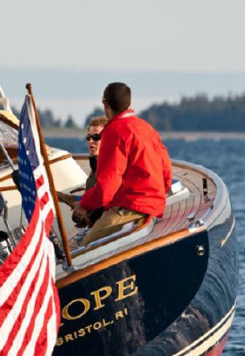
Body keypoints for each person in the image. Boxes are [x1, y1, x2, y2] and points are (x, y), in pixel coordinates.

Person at [73, 82, 172, 246]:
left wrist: (83, 204)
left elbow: (106, 189)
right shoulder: (146, 128)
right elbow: (166, 171)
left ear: (105, 104)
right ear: (129, 104)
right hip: (153, 209)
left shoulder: (115, 132)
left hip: (127, 210)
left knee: (82, 251)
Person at [56, 116, 108, 226]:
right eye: (88, 137)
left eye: (96, 137)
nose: (91, 142)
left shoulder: (108, 168)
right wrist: (59, 195)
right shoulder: (95, 166)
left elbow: (101, 200)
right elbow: (86, 199)